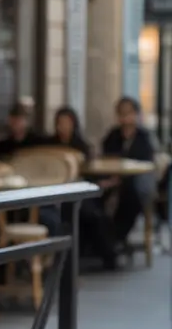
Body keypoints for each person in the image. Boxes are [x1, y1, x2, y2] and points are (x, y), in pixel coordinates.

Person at [51, 107, 116, 269]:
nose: (63, 127)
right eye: (60, 123)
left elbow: (90, 175)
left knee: (92, 215)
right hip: (55, 190)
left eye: (67, 123)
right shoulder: (51, 144)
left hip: (78, 190)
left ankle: (106, 255)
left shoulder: (81, 146)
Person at [102, 97, 157, 243]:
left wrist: (119, 180)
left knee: (131, 195)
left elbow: (145, 164)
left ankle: (116, 238)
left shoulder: (144, 137)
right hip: (112, 178)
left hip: (134, 183)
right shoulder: (113, 135)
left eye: (129, 113)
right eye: (122, 113)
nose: (125, 118)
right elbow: (106, 158)